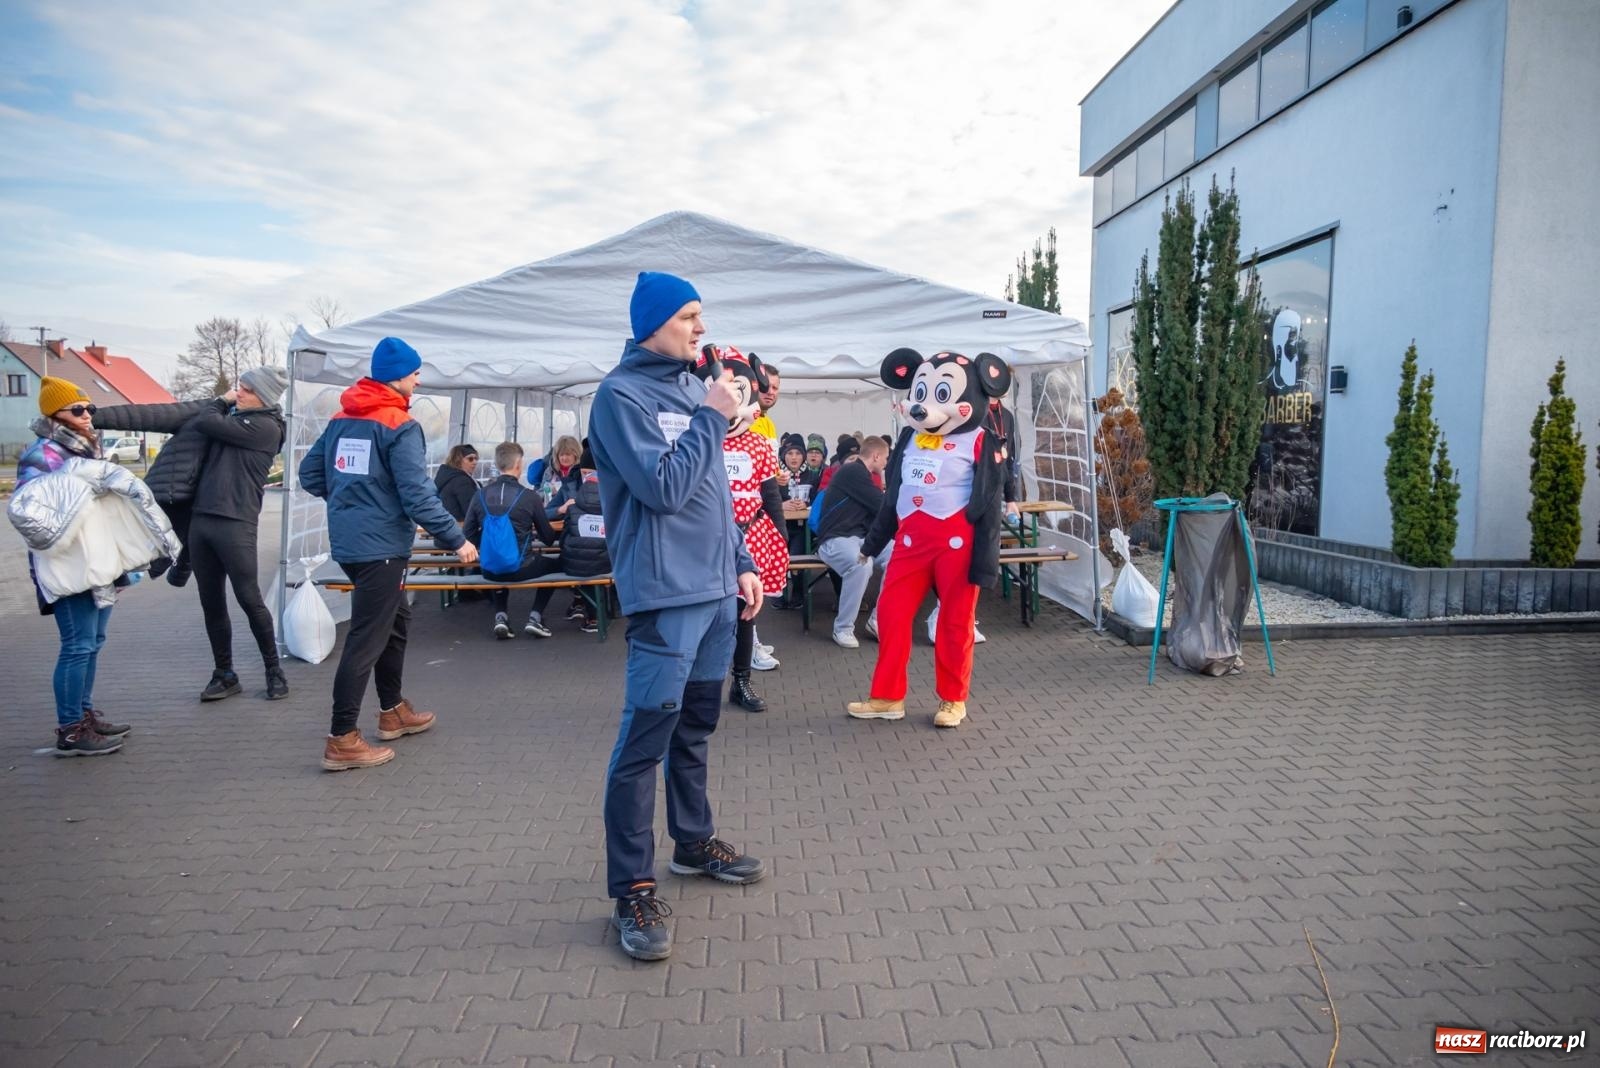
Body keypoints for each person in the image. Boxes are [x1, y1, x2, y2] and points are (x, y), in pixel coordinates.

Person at [588, 271, 766, 962]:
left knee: (696, 727)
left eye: (701, 315)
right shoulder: (619, 396)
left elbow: (712, 495)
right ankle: (631, 887)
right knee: (644, 744)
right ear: (652, 323)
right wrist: (713, 417)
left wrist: (743, 560)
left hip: (719, 592)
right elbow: (663, 490)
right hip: (665, 598)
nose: (700, 327)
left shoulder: (696, 391)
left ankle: (692, 844)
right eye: (688, 316)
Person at [300, 337, 479, 771]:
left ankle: (393, 709)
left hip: (351, 541)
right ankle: (342, 737)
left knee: (396, 622)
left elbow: (310, 473)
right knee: (366, 637)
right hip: (381, 546)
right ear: (398, 376)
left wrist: (353, 499)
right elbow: (417, 495)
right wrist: (457, 540)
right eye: (416, 373)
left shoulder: (343, 418)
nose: (418, 381)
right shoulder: (400, 424)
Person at [13, 379, 135, 755]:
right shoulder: (43, 455)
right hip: (68, 566)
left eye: (90, 409)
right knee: (77, 645)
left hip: (98, 560)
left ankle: (84, 715)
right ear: (55, 415)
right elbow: (30, 513)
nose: (87, 416)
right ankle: (70, 729)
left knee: (93, 642)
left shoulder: (83, 450)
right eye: (77, 410)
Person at [693, 345, 788, 713]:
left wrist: (779, 539)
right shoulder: (698, 438)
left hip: (750, 538)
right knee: (705, 614)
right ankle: (702, 685)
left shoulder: (760, 445)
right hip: (704, 539)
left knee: (745, 613)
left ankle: (742, 681)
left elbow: (770, 495)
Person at [461, 440, 561, 639]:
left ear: (498, 465)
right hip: (522, 569)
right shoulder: (529, 496)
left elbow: (468, 534)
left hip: (488, 569)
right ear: (518, 465)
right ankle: (535, 617)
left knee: (499, 564)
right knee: (555, 566)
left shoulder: (480, 495)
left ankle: (501, 616)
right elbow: (548, 538)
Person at [815, 436, 892, 648]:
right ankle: (843, 628)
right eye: (886, 457)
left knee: (899, 556)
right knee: (862, 565)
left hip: (858, 538)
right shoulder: (853, 472)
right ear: (876, 455)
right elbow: (883, 506)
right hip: (833, 540)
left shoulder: (861, 474)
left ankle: (878, 620)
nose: (886, 462)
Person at [556, 445, 610, 633]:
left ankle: (584, 606)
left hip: (575, 564)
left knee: (574, 558)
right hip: (608, 562)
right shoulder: (613, 497)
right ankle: (598, 611)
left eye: (587, 472)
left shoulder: (574, 500)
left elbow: (563, 540)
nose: (584, 476)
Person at [433, 443, 480, 523]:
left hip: (446, 526)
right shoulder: (462, 481)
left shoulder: (447, 477)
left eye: (476, 458)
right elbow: (472, 511)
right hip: (460, 528)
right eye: (470, 459)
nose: (475, 462)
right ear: (458, 461)